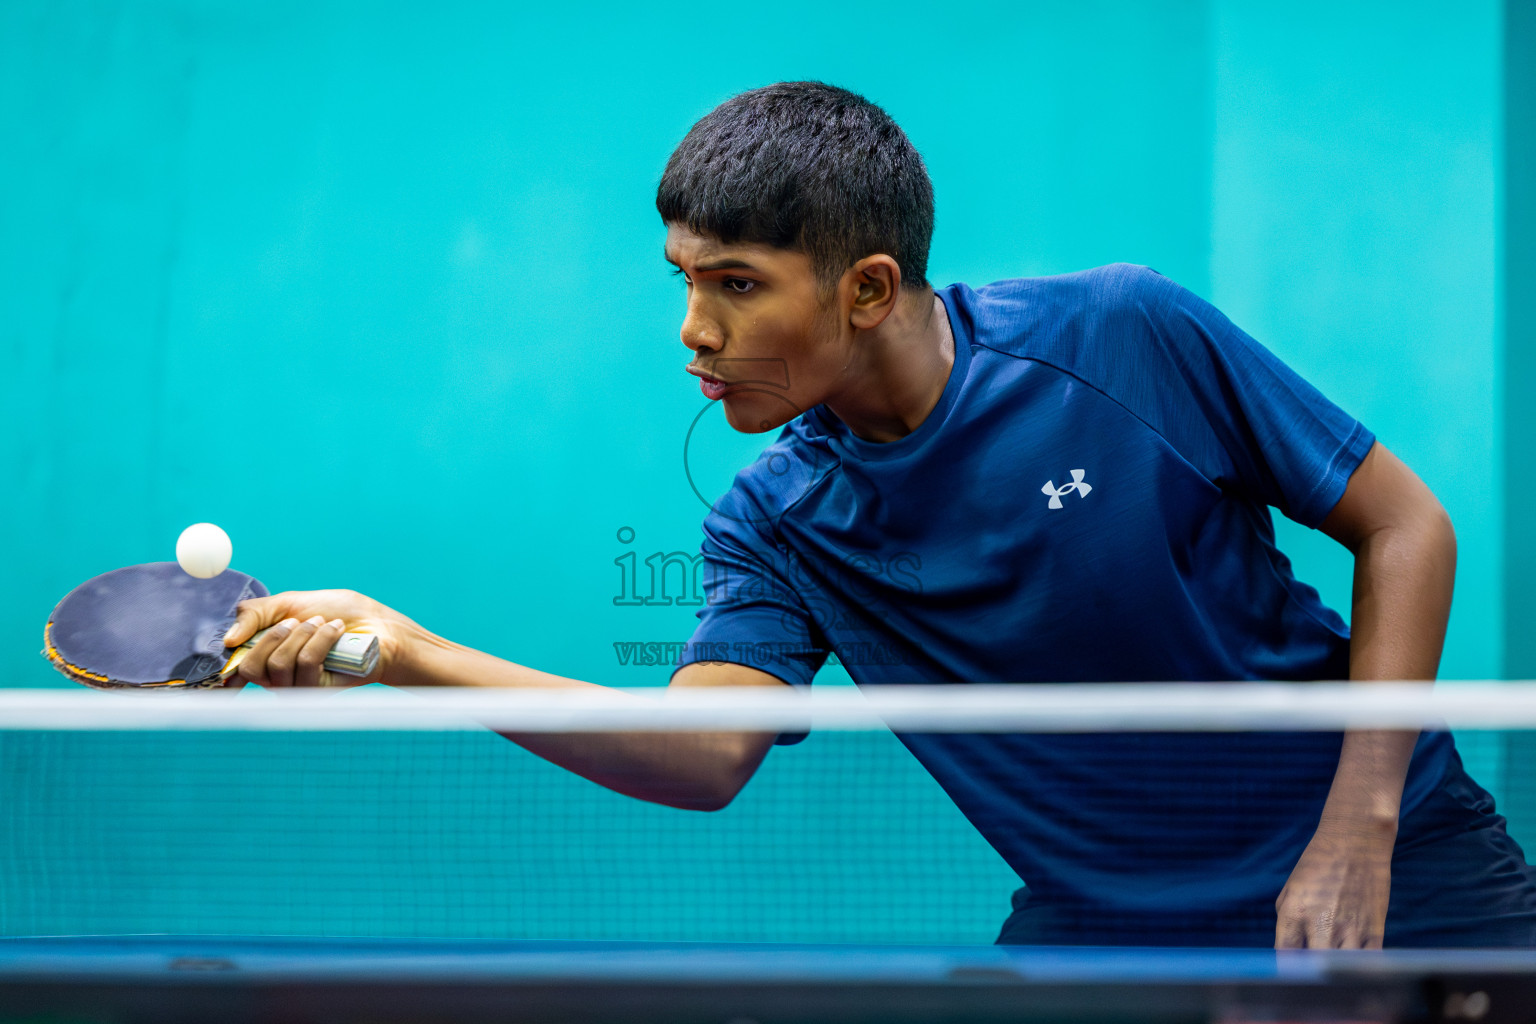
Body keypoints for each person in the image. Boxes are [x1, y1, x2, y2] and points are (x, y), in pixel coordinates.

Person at [225, 81, 1536, 949]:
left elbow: (1404, 524)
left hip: (1397, 864)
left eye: (736, 286)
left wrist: (1359, 826)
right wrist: (395, 648)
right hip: (1107, 928)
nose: (695, 331)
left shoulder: (1120, 333)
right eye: (685, 280)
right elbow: (705, 755)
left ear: (863, 289)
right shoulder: (776, 519)